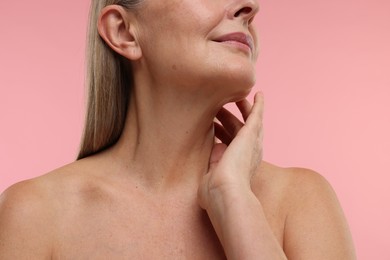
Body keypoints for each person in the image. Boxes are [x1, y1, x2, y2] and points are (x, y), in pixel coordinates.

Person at [0, 0, 356, 259]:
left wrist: (235, 203)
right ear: (124, 32)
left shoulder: (302, 203)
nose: (251, 6)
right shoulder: (34, 215)